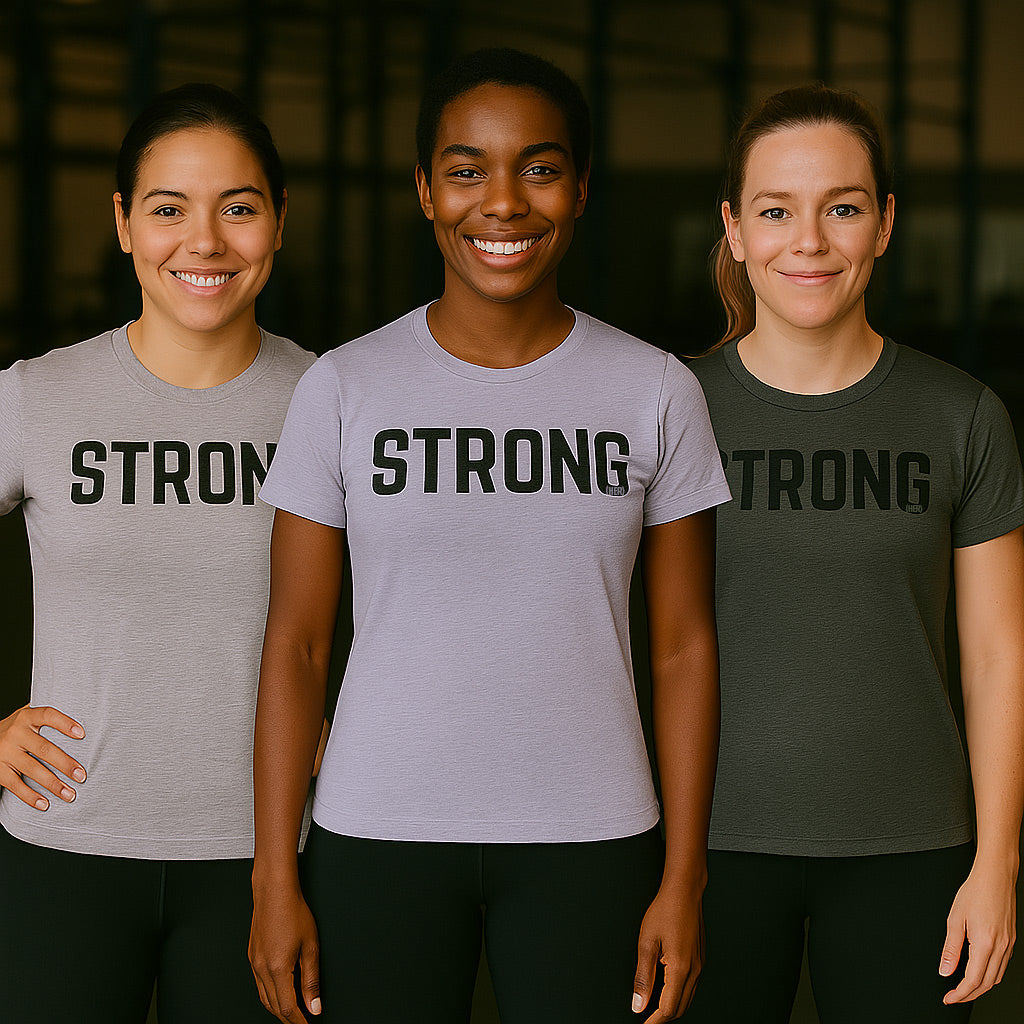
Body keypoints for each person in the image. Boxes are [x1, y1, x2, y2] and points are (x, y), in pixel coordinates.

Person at [247, 47, 731, 1024]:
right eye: (467, 170)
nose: (501, 203)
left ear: (580, 187)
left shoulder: (655, 390)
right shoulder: (343, 387)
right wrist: (272, 876)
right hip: (372, 835)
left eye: (539, 168)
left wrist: (684, 876)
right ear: (426, 191)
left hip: (594, 840)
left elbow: (683, 648)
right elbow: (295, 644)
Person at [685, 83, 1024, 1023]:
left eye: (842, 207)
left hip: (910, 848)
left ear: (882, 225)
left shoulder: (962, 416)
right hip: (702, 848)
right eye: (776, 210)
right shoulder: (667, 410)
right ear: (735, 230)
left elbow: (1000, 659)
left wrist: (997, 863)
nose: (810, 240)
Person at [0, 83, 315, 1024]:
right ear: (124, 224)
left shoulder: (336, 403)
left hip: (271, 860)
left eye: (240, 208)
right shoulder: (35, 398)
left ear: (279, 222)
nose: (205, 242)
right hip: (66, 847)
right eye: (168, 209)